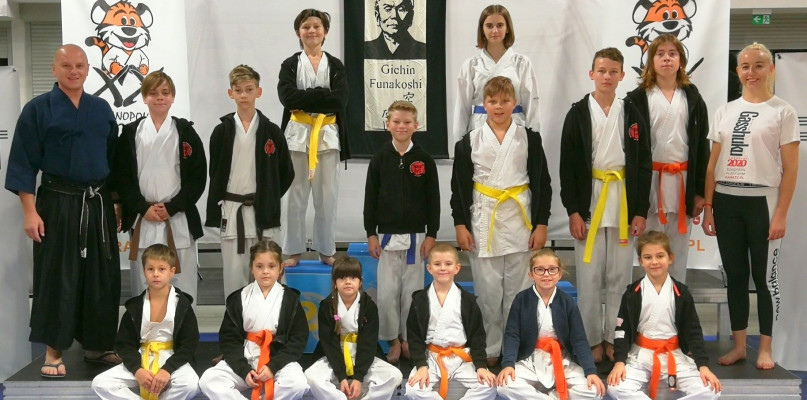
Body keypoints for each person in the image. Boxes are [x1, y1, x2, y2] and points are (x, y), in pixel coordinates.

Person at [4, 44, 121, 378]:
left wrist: (114, 202)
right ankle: (53, 351)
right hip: (57, 201)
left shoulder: (101, 109)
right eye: (67, 65)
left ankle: (98, 344)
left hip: (96, 203)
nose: (74, 71)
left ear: (88, 69)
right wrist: (30, 212)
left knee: (101, 275)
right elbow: (23, 163)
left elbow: (113, 161)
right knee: (58, 276)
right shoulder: (38, 109)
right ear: (54, 69)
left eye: (80, 66)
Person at [702, 42, 799, 370]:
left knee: (765, 278)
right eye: (745, 66)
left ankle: (765, 348)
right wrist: (709, 206)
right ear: (737, 71)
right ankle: (740, 345)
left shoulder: (782, 111)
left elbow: (791, 170)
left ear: (771, 69)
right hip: (727, 200)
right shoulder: (725, 110)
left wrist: (781, 214)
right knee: (735, 276)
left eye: (758, 65)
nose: (751, 72)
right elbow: (712, 165)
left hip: (763, 202)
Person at [451, 76, 551, 366]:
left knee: (519, 290)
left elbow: (543, 183)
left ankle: (516, 344)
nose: (498, 106)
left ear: (514, 103)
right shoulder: (469, 141)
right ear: (483, 104)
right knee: (488, 291)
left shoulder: (529, 138)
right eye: (492, 101)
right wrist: (460, 224)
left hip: (521, 218)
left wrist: (541, 224)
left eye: (504, 101)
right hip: (484, 218)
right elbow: (459, 187)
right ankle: (491, 346)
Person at [559, 48, 651, 363]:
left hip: (623, 198)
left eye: (613, 71)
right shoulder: (577, 113)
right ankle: (590, 340)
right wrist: (573, 211)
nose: (607, 76)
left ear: (622, 75)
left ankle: (615, 339)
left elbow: (643, 164)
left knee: (620, 277)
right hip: (590, 200)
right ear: (592, 74)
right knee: (588, 278)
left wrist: (640, 211)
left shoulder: (633, 112)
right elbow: (567, 167)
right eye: (601, 71)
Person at [114, 71, 206, 304]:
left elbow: (198, 177)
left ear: (173, 97)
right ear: (144, 97)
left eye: (165, 93)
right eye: (153, 93)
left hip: (178, 218)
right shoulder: (131, 133)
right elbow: (122, 177)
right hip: (143, 217)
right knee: (144, 286)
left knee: (182, 287)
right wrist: (141, 207)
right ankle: (146, 328)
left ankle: (182, 328)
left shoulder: (185, 132)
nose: (160, 98)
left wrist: (173, 207)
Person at [625, 33, 710, 284]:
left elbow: (702, 148)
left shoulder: (693, 97)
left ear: (680, 61)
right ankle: (649, 303)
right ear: (651, 61)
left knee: (678, 252)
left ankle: (676, 302)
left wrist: (700, 192)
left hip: (683, 180)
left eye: (672, 54)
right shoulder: (637, 98)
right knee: (650, 249)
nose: (666, 59)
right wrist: (635, 196)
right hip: (650, 181)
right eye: (660, 54)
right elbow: (630, 151)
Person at [207, 64, 294, 299]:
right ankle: (235, 322)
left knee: (268, 276)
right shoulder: (221, 132)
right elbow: (215, 173)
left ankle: (272, 320)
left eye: (249, 89)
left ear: (259, 91)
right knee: (234, 279)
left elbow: (287, 173)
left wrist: (268, 196)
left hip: (264, 212)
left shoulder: (272, 132)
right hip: (233, 210)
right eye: (238, 90)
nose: (244, 95)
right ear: (231, 93)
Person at [364, 100, 439, 363]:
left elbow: (433, 200)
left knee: (412, 292)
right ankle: (391, 339)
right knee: (386, 294)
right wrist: (370, 233)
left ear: (416, 126)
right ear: (388, 125)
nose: (401, 126)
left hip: (417, 236)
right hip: (386, 235)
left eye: (407, 122)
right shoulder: (380, 159)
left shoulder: (424, 160)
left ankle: (409, 338)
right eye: (396, 122)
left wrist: (432, 234)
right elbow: (370, 199)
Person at [607, 231, 721, 400]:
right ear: (640, 261)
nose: (654, 262)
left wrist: (703, 365)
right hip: (641, 356)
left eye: (660, 256)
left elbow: (693, 332)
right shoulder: (632, 293)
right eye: (648, 257)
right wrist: (619, 361)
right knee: (615, 388)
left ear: (670, 258)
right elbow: (621, 331)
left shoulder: (681, 293)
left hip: (673, 355)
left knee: (711, 391)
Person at [278, 8, 349, 268]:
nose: (311, 31)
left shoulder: (335, 65)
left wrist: (306, 97)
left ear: (325, 32)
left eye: (316, 26)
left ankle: (326, 249)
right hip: (297, 137)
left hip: (327, 136)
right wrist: (321, 95)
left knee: (327, 197)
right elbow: (287, 97)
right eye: (306, 27)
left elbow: (339, 100)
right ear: (298, 32)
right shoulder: (290, 64)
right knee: (293, 197)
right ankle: (293, 250)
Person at [198, 240, 309, 399]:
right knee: (208, 381)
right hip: (246, 358)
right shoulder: (239, 298)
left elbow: (298, 339)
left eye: (271, 266)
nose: (265, 271)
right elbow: (229, 339)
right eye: (259, 266)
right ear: (251, 268)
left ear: (280, 268)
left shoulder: (291, 299)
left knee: (298, 384)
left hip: (277, 360)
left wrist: (273, 367)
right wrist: (243, 369)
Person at [91, 244, 200, 400]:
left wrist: (167, 370)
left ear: (172, 272)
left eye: (161, 269)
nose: (155, 274)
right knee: (100, 383)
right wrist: (138, 370)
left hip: (172, 358)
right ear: (144, 272)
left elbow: (189, 344)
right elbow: (124, 344)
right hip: (141, 359)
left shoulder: (182, 305)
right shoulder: (135, 306)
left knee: (190, 384)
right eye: (150, 269)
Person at [497, 248, 605, 400]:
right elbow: (512, 335)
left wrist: (590, 371)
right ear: (531, 274)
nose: (546, 274)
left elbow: (579, 339)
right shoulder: (521, 299)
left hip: (561, 359)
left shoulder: (567, 302)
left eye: (552, 269)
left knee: (594, 391)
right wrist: (508, 364)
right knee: (504, 386)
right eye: (540, 270)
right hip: (531, 359)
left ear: (559, 274)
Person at [405, 243, 497, 400]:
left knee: (490, 386)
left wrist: (481, 366)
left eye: (448, 264)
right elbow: (414, 337)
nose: (443, 268)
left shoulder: (468, 301)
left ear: (457, 268)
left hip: (461, 359)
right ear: (429, 268)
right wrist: (421, 366)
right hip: (431, 358)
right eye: (437, 264)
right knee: (413, 390)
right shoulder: (419, 300)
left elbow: (477, 337)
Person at [305, 256, 403, 399]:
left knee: (395, 376)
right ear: (334, 282)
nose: (348, 282)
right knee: (310, 376)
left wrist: (358, 377)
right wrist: (341, 376)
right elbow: (329, 344)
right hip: (334, 355)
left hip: (363, 355)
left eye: (353, 277)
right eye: (342, 278)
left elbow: (368, 343)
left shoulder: (369, 306)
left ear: (360, 282)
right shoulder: (327, 306)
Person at [452, 4, 539, 143]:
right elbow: (462, 108)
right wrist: (459, 144)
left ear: (507, 28)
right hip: (480, 128)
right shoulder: (472, 65)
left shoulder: (522, 63)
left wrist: (535, 141)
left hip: (515, 128)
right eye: (489, 26)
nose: (495, 30)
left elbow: (532, 106)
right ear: (482, 29)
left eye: (500, 25)